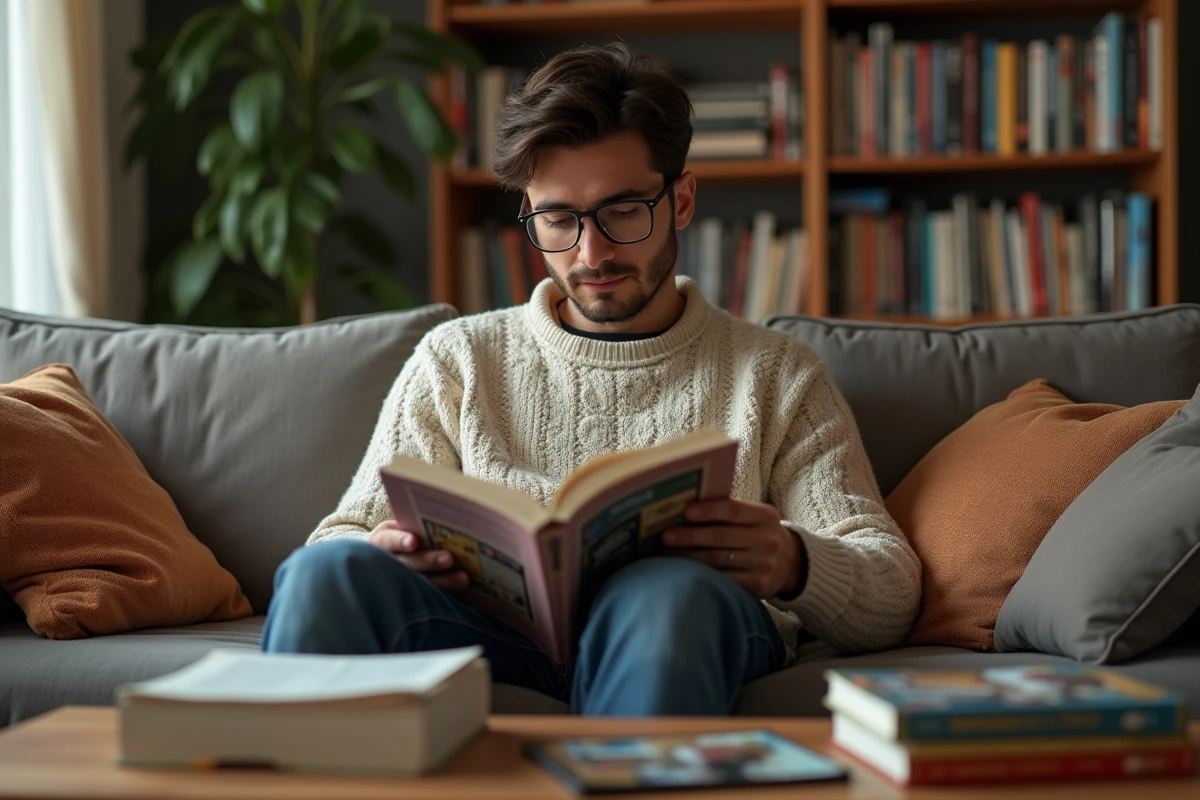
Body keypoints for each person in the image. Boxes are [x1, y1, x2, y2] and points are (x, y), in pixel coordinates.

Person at [262, 42, 921, 716]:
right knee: (323, 575)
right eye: (558, 219)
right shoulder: (458, 358)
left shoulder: (776, 374)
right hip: (487, 635)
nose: (591, 251)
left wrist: (793, 561)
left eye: (623, 211)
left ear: (682, 199)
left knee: (668, 592)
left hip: (680, 625)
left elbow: (892, 590)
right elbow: (339, 536)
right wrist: (383, 548)